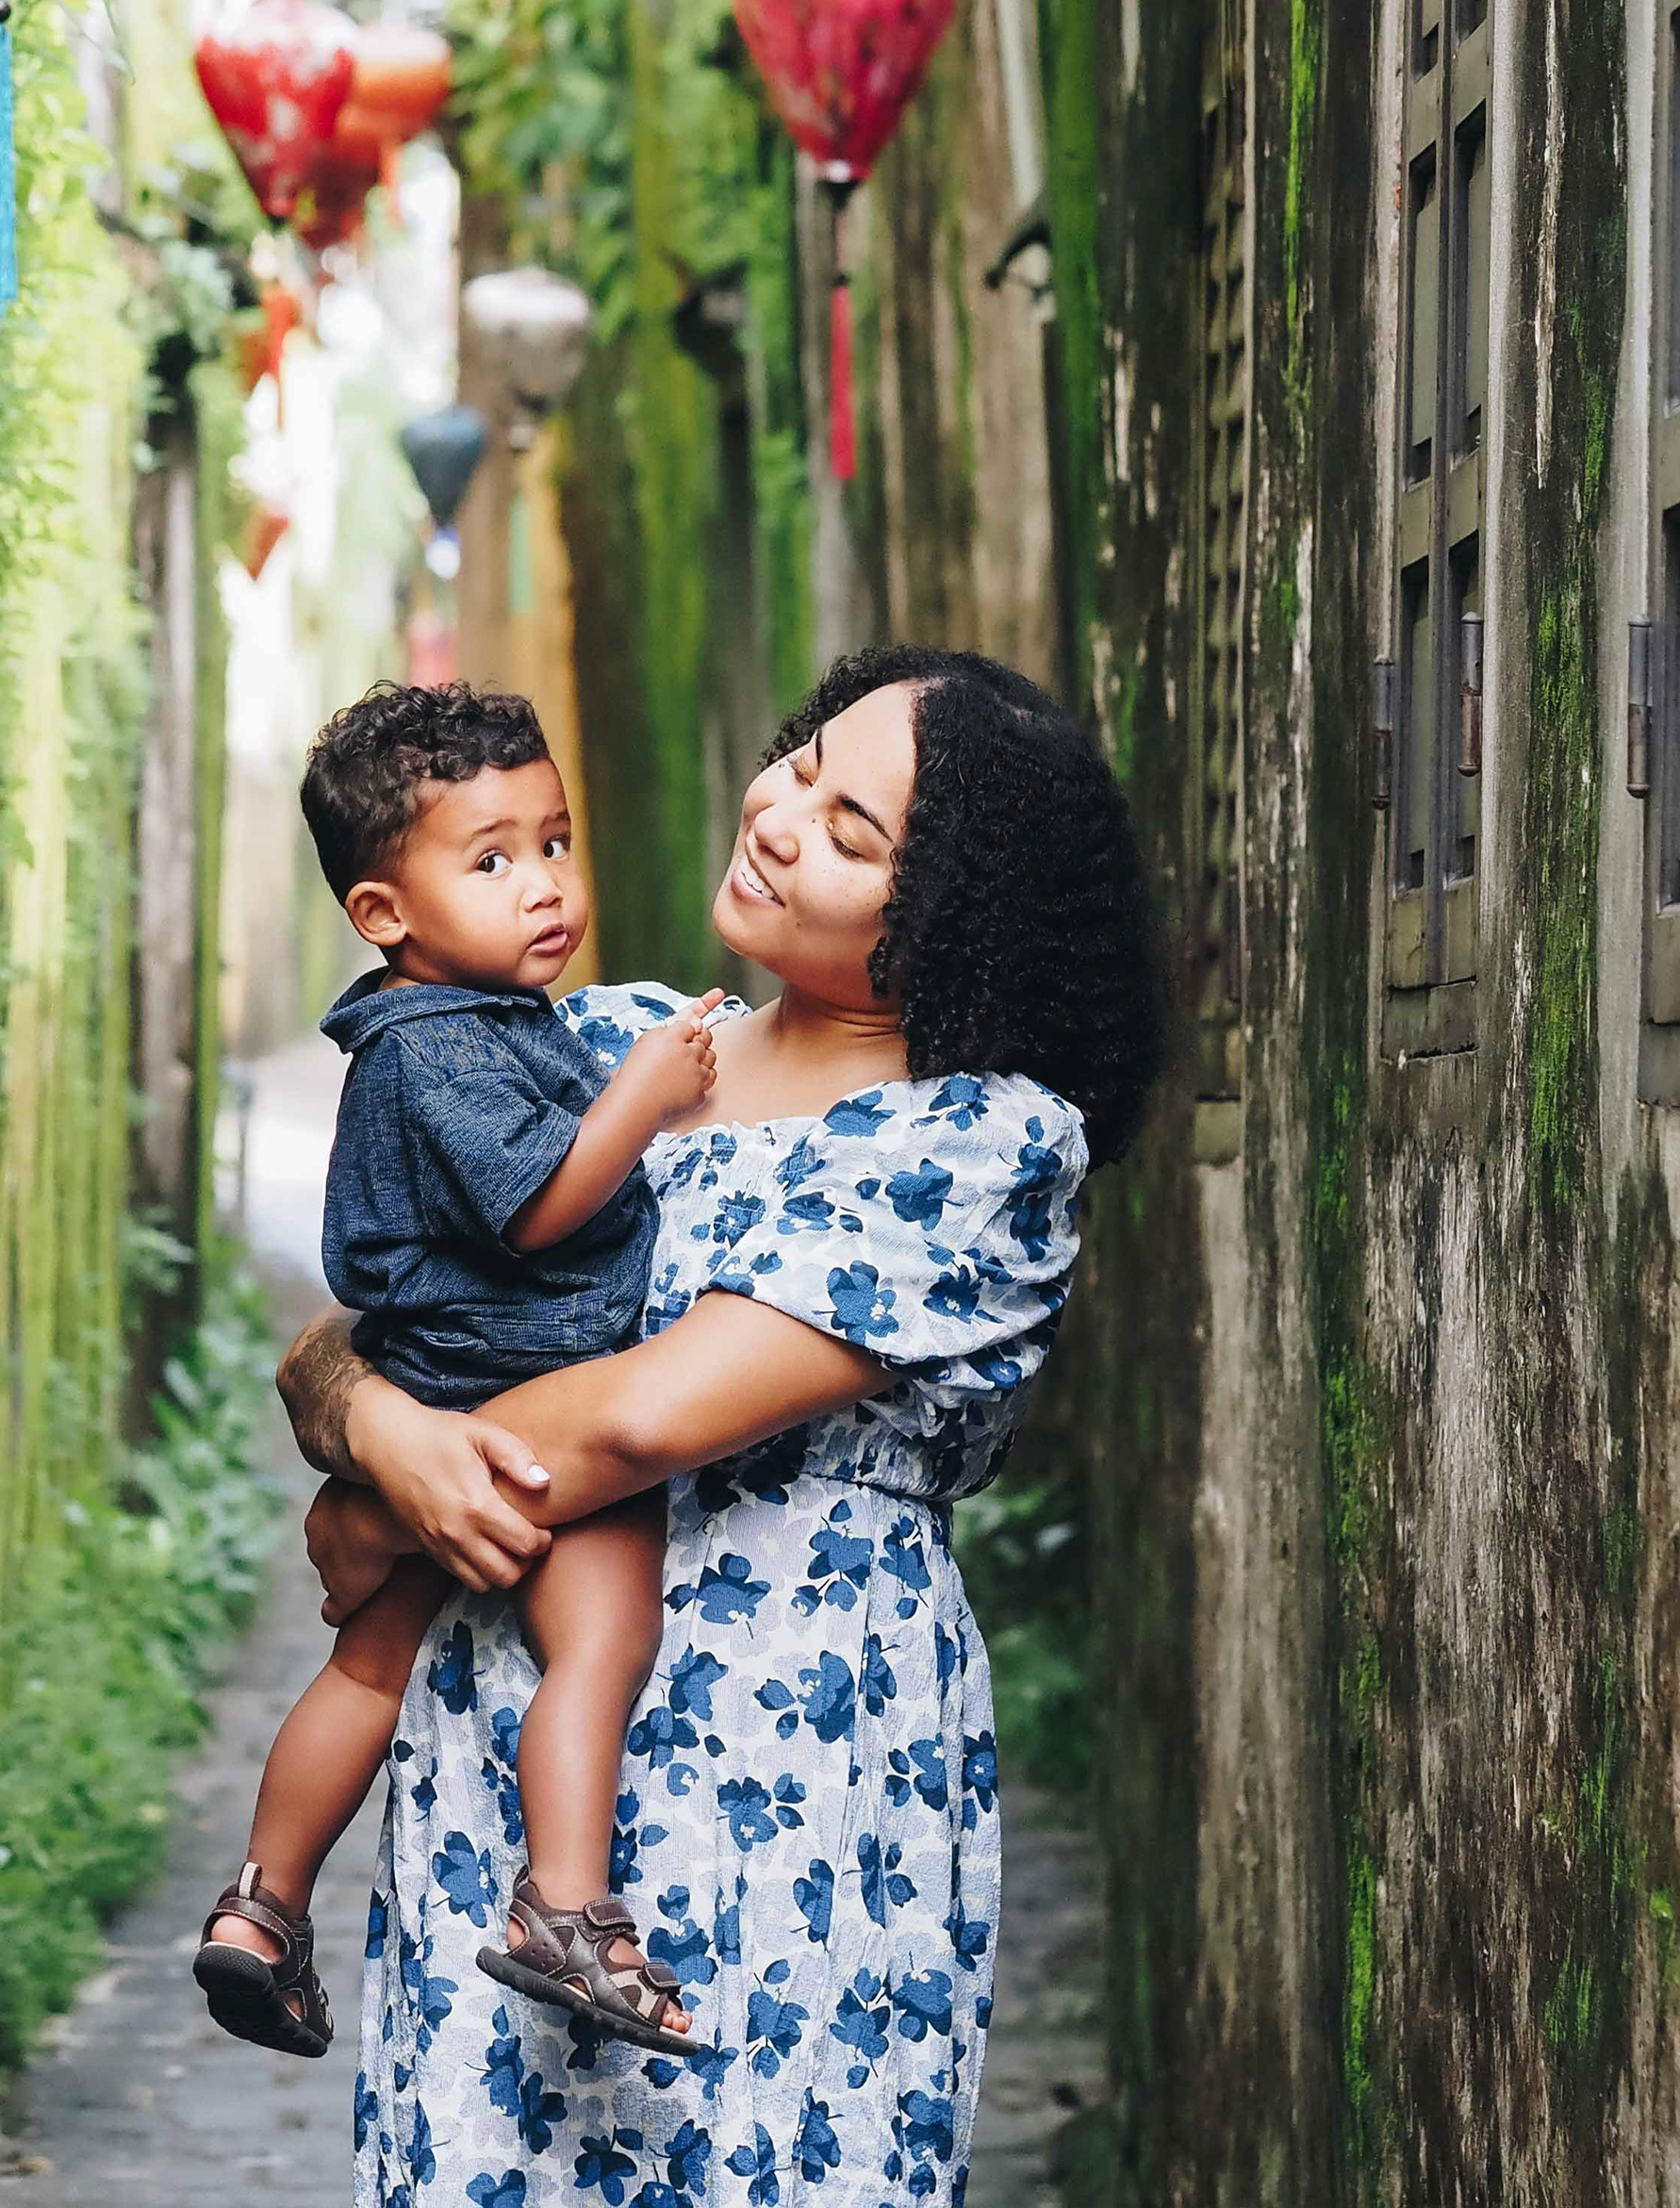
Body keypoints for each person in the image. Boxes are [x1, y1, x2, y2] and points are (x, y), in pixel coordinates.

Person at [275, 646, 1164, 2208]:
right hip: (502, 1755)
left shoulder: (974, 1146)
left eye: (849, 828)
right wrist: (371, 1418)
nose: (777, 815)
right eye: (802, 763)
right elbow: (357, 1323)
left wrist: (388, 1491)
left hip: (787, 1763)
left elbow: (640, 1418)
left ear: (949, 914)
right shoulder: (594, 1043)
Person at [196, 684, 715, 2061]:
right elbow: (540, 1207)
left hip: (444, 1391)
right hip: (525, 1407)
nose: (544, 884)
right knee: (603, 1642)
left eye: (555, 842)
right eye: (491, 861)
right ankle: (566, 1907)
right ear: (383, 913)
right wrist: (643, 1096)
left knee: (368, 1668)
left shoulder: (465, 1020)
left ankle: (262, 1906)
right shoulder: (444, 1046)